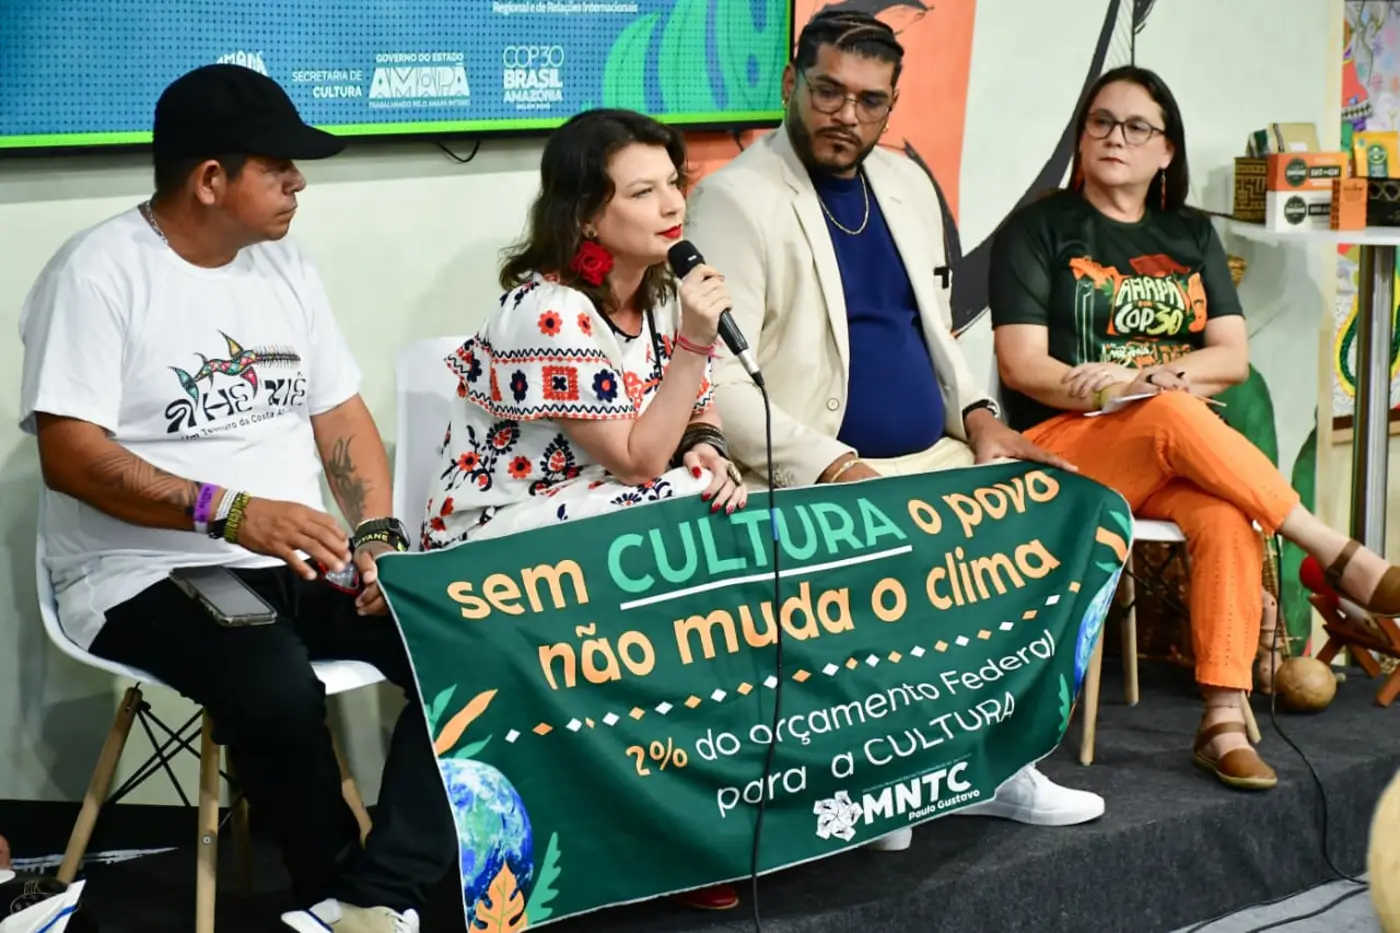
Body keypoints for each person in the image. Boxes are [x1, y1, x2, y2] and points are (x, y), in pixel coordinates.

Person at [18, 64, 452, 932]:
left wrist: (376, 534)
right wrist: (232, 510)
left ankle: (376, 893)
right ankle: (329, 886)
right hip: (143, 571)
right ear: (210, 179)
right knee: (275, 688)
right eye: (278, 166)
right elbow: (71, 457)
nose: (298, 182)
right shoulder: (97, 273)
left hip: (296, 553)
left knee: (463, 639)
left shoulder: (283, 265)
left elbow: (339, 412)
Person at [682, 9, 1106, 850]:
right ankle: (891, 772)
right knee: (915, 549)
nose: (847, 115)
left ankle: (995, 760)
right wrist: (835, 465)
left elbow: (934, 332)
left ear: (891, 105)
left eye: (869, 101)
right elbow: (717, 378)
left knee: (1056, 518)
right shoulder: (735, 198)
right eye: (828, 91)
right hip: (818, 469)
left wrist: (980, 418)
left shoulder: (906, 184)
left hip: (935, 451)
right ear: (791, 85)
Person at [989, 64, 1400, 791]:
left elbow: (1231, 358)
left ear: (1166, 149)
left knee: (1225, 513)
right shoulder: (1040, 228)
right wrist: (1125, 386)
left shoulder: (1189, 232)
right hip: (1063, 447)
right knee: (1175, 411)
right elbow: (1022, 365)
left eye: (1136, 127)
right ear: (1082, 137)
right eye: (1101, 122)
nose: (1116, 138)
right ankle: (1335, 551)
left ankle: (1222, 720)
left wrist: (1159, 378)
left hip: (1169, 445)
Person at [420, 108, 747, 910]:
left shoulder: (661, 293)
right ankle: (663, 837)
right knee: (680, 507)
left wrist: (708, 445)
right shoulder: (549, 309)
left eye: (674, 182)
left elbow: (690, 411)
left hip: (604, 513)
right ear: (587, 215)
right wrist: (695, 347)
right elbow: (637, 457)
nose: (672, 203)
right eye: (642, 191)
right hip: (495, 533)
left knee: (716, 505)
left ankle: (688, 826)